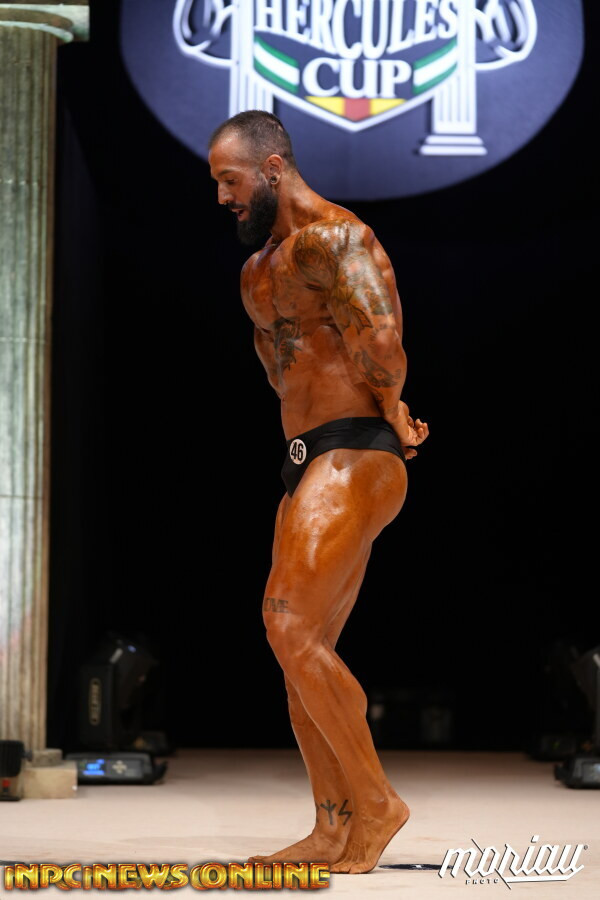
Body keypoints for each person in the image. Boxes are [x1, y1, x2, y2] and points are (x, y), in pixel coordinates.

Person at [208, 110, 429, 875]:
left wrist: (392, 407)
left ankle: (377, 803)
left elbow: (381, 338)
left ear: (272, 168)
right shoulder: (256, 272)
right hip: (304, 459)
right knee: (300, 650)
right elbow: (280, 367)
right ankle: (333, 828)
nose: (223, 198)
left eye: (230, 180)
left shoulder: (338, 237)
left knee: (288, 624)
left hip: (357, 449)